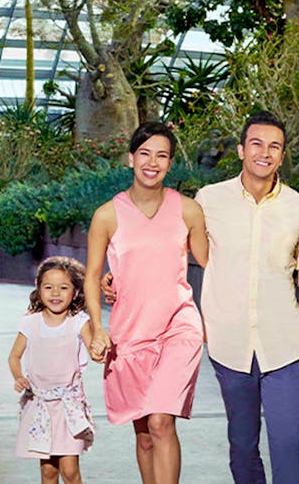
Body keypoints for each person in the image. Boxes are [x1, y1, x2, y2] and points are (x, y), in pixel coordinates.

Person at [192, 110, 299, 484]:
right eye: (256, 144)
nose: (264, 153)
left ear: (282, 156)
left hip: (284, 343)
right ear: (240, 150)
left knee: (286, 445)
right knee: (242, 447)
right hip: (229, 343)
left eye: (274, 146)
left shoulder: (298, 206)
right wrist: (115, 277)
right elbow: (174, 249)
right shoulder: (209, 200)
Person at [84, 121, 208, 484]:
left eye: (162, 155)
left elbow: (211, 263)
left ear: (170, 163)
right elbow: (93, 275)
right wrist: (96, 328)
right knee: (144, 433)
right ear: (130, 158)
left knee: (160, 420)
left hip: (179, 325)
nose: (152, 162)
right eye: (145, 154)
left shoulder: (188, 210)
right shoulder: (107, 216)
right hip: (130, 332)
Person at [8, 256, 95, 484]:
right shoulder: (30, 322)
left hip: (69, 407)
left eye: (63, 288)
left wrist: (102, 347)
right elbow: (14, 356)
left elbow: (95, 349)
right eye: (49, 287)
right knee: (47, 471)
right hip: (40, 406)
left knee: (69, 470)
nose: (55, 293)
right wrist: (19, 377)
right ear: (38, 288)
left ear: (75, 292)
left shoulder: (79, 321)